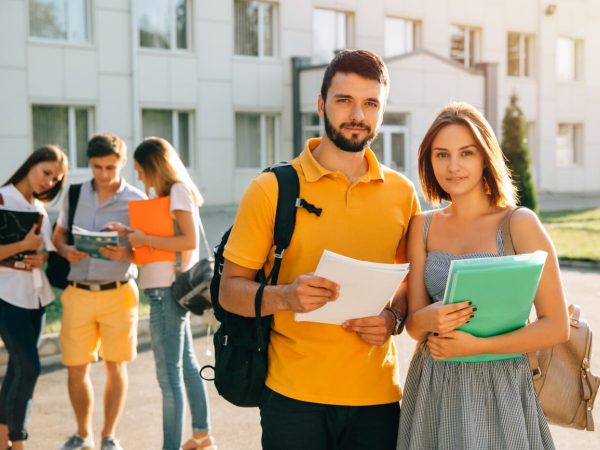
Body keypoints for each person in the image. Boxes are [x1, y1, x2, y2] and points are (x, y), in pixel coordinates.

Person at [220, 49, 420, 450]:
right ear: (321, 105)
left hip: (377, 398)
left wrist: (393, 318)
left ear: (382, 111)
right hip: (293, 397)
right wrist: (287, 296)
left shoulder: (402, 194)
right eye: (344, 100)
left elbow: (409, 287)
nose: (357, 115)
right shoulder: (272, 189)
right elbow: (230, 292)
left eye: (371, 104)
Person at [397, 102, 569, 450]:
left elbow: (556, 325)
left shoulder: (519, 223)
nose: (454, 166)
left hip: (500, 385)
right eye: (441, 155)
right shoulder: (422, 226)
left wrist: (480, 347)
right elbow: (414, 325)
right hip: (434, 382)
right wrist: (427, 317)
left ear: (485, 157)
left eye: (466, 153)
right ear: (429, 162)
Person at [52, 133, 146, 450]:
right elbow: (58, 236)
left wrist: (128, 254)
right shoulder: (75, 194)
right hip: (78, 291)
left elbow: (150, 250)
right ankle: (83, 435)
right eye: (97, 167)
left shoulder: (137, 199)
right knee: (76, 368)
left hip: (118, 293)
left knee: (115, 366)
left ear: (121, 164)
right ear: (89, 164)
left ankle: (108, 435)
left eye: (110, 167)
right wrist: (66, 251)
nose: (104, 174)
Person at [123, 137, 215, 450]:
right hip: (165, 288)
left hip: (165, 290)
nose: (139, 177)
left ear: (152, 166)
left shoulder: (177, 191)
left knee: (168, 378)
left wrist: (144, 237)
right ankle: (202, 436)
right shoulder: (173, 193)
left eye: (139, 170)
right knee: (186, 366)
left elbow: (188, 241)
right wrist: (133, 237)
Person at [0, 145, 68, 450]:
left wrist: (40, 256)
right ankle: (19, 442)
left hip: (36, 296)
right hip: (5, 294)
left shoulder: (39, 209)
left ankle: (4, 440)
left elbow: (44, 251)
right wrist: (22, 245)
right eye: (46, 172)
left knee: (18, 368)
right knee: (30, 367)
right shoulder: (2, 199)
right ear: (31, 165)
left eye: (56, 179)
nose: (49, 182)